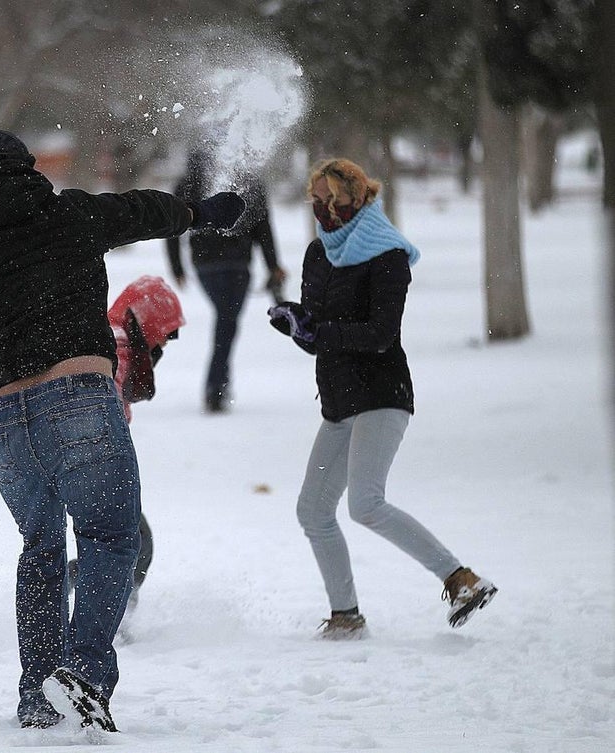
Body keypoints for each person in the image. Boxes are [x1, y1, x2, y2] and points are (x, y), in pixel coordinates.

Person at [0, 130, 246, 733]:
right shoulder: (68, 214)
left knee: (42, 549)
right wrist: (199, 213)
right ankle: (85, 673)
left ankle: (37, 696)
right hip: (78, 397)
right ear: (27, 169)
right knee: (109, 537)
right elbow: (140, 210)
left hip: (2, 422)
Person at [268, 158, 498, 639]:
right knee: (313, 511)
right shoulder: (318, 254)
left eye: (329, 201)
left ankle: (462, 579)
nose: (321, 210)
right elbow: (318, 334)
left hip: (381, 393)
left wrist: (318, 330)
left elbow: (379, 334)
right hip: (338, 401)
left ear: (352, 200)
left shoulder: (386, 256)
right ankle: (346, 617)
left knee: (366, 503)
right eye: (315, 201)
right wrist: (296, 324)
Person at [67, 275, 186, 619]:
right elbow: (100, 404)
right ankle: (108, 619)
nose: (166, 340)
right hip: (91, 461)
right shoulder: (117, 343)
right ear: (148, 319)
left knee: (119, 544)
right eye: (166, 329)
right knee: (132, 545)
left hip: (84, 460)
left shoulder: (117, 337)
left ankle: (106, 615)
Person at [166, 151, 286, 413]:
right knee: (227, 320)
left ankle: (219, 384)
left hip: (208, 264)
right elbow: (263, 228)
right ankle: (215, 387)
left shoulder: (189, 179)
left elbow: (172, 224)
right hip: (235, 263)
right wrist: (272, 265)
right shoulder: (247, 178)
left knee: (226, 319)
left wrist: (177, 266)